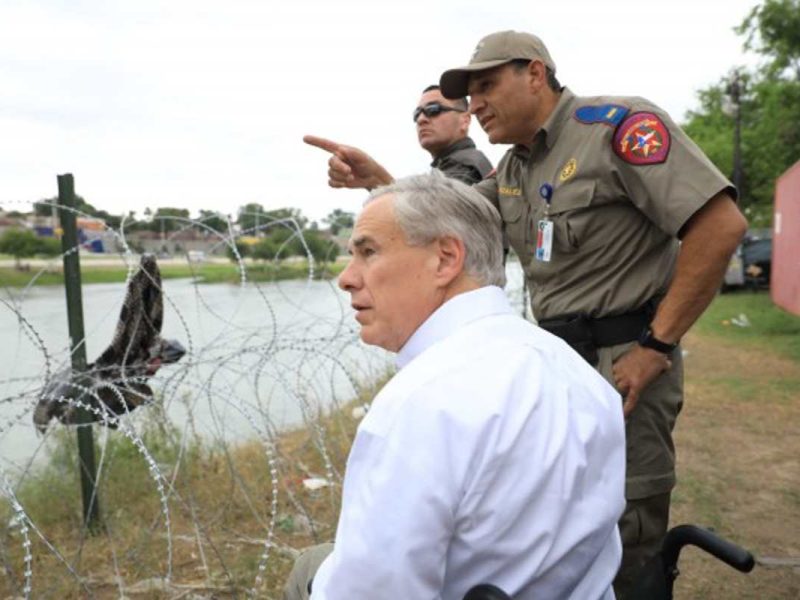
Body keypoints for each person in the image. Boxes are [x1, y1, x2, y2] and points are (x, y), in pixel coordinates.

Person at [302, 31, 748, 597]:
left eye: (486, 85)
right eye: (471, 92)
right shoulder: (512, 171)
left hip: (625, 363)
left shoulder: (616, 129)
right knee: (546, 536)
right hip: (554, 363)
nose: (476, 103)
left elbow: (721, 225)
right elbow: (444, 234)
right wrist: (379, 182)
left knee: (626, 535)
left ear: (535, 74)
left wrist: (656, 347)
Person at [283, 172, 626, 600]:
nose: (347, 278)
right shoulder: (576, 372)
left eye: (368, 252)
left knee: (309, 569)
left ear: (445, 259)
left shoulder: (424, 402)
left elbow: (373, 591)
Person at [414, 84, 492, 185]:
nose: (421, 119)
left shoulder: (465, 168)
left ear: (465, 121)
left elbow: (439, 200)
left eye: (433, 109)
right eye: (416, 114)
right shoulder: (450, 165)